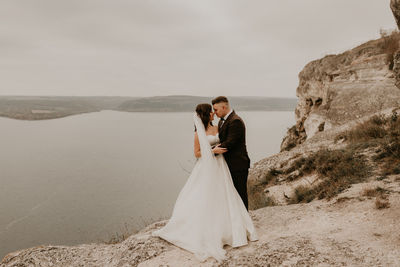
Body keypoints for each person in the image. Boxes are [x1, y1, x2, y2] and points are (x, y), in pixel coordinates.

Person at [151, 103, 258, 263]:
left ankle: (231, 227)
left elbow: (226, 141)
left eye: (214, 111)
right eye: (211, 112)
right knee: (207, 194)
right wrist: (212, 151)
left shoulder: (217, 127)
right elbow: (197, 153)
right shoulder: (198, 133)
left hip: (221, 166)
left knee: (225, 193)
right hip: (207, 166)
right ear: (206, 114)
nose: (213, 114)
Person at [211, 96, 251, 210]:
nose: (215, 113)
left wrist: (209, 152)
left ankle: (245, 221)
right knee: (230, 194)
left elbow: (229, 143)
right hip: (227, 165)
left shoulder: (235, 121)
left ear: (224, 107)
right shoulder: (221, 122)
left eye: (216, 110)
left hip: (238, 164)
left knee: (240, 193)